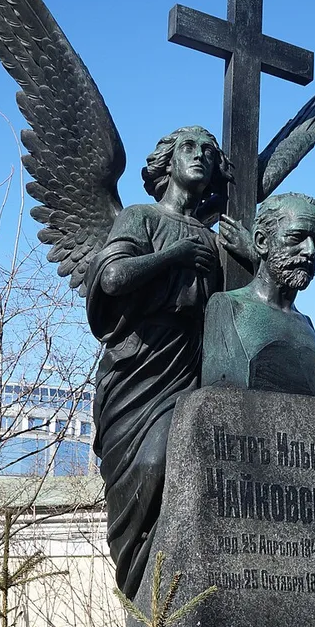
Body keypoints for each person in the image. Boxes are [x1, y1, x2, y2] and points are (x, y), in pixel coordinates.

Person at [85, 126, 251, 597]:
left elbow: (243, 304)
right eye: (189, 148)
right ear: (167, 162)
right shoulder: (141, 218)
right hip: (137, 370)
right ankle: (141, 583)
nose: (200, 156)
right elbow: (113, 277)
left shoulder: (217, 239)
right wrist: (175, 254)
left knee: (191, 465)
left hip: (191, 365)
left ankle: (177, 586)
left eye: (209, 151)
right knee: (151, 463)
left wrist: (248, 257)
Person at [201, 193, 315, 396]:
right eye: (296, 237)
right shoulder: (227, 307)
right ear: (262, 241)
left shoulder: (307, 324)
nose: (310, 251)